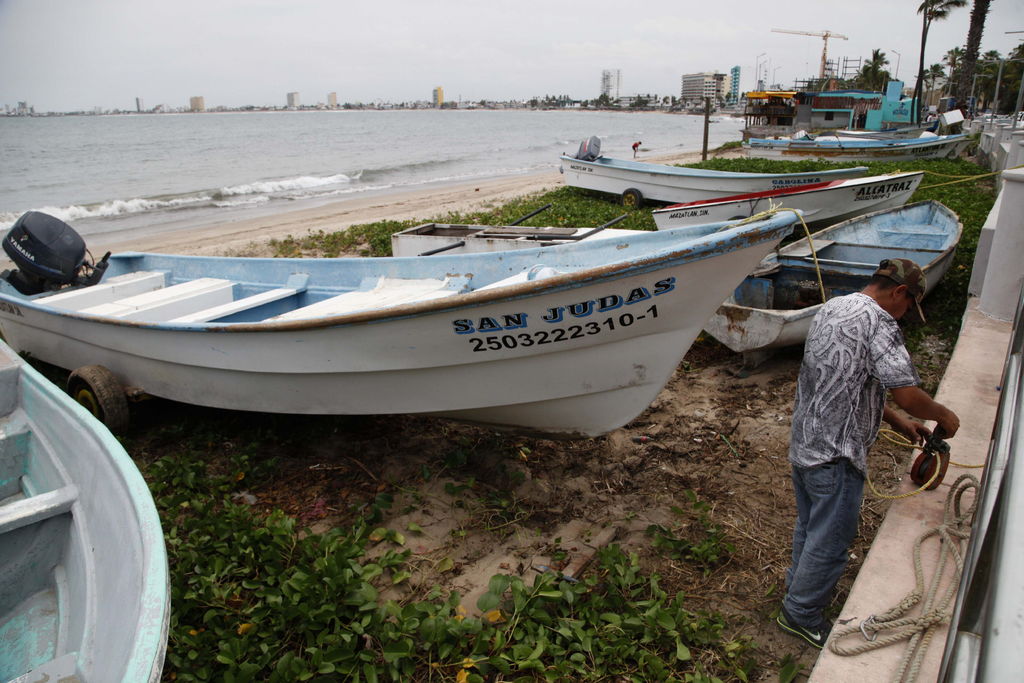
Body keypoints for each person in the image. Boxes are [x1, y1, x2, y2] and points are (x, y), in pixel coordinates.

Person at [776, 258, 960, 649]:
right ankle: (801, 614)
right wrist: (944, 414)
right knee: (831, 540)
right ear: (899, 293)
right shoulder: (880, 322)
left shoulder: (834, 307)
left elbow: (848, 380)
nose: (906, 313)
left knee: (810, 526)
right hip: (837, 455)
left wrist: (897, 422)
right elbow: (907, 393)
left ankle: (798, 588)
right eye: (909, 305)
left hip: (806, 442)